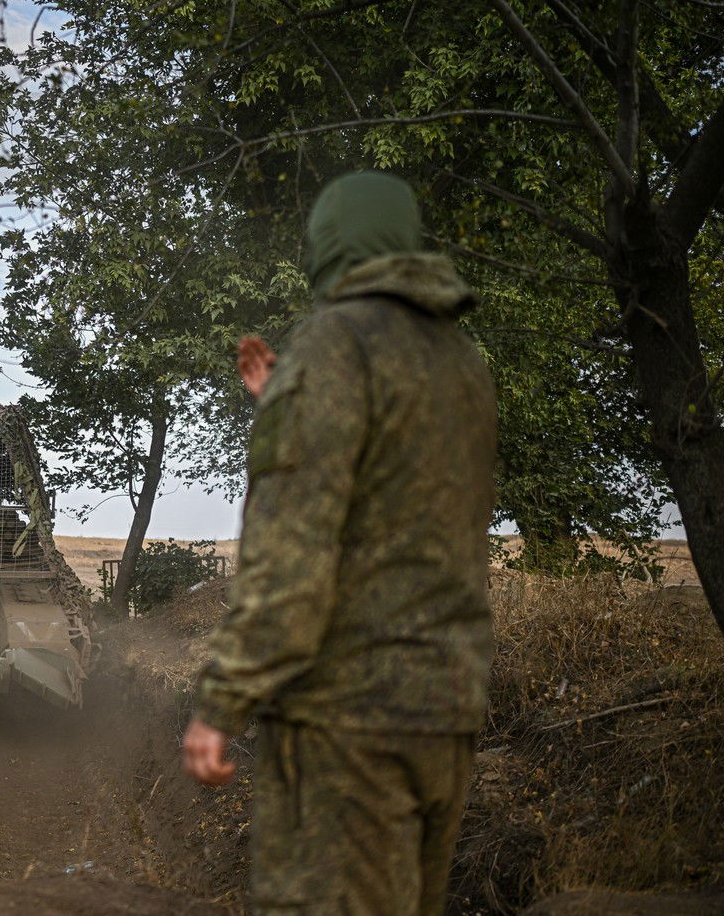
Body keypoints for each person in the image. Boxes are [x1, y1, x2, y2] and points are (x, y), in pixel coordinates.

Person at [182, 171, 497, 915]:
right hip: (445, 711)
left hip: (347, 721)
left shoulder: (334, 344)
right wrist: (287, 402)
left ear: (329, 248)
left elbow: (291, 557)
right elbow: (395, 490)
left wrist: (222, 702)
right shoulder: (461, 364)